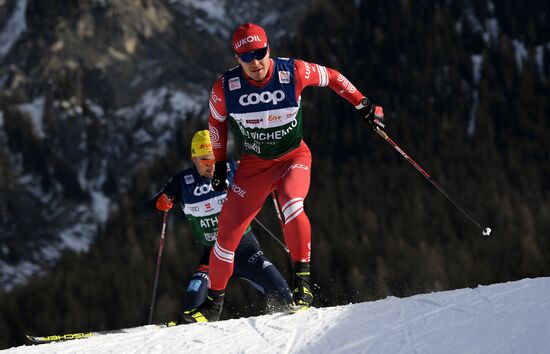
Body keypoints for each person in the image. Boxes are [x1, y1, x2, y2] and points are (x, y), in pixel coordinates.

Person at [181, 23, 384, 323]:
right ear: (237, 57)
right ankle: (212, 306)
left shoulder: (294, 72)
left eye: (260, 53)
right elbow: (216, 124)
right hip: (254, 166)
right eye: (247, 56)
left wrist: (364, 104)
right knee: (225, 235)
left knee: (292, 203)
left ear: (269, 49)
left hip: (292, 157)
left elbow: (332, 77)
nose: (256, 62)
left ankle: (302, 284)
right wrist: (221, 163)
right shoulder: (225, 88)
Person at [142, 130, 293, 322]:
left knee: (284, 294)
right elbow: (145, 211)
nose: (212, 166)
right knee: (191, 312)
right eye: (206, 161)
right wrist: (159, 204)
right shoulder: (182, 182)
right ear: (194, 158)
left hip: (245, 250)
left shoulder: (231, 168)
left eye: (215, 160)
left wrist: (272, 180)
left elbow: (266, 175)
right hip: (213, 257)